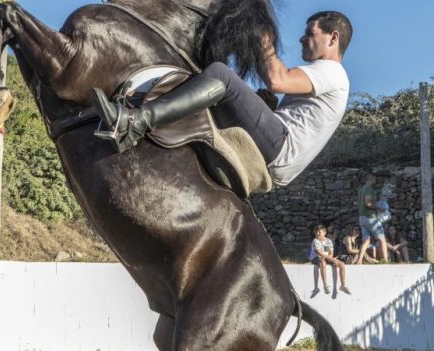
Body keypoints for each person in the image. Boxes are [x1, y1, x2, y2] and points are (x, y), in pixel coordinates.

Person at [91, 11, 353, 188]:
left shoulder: (332, 71)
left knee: (220, 75)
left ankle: (135, 121)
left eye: (310, 33)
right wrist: (268, 107)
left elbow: (277, 79)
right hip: (281, 156)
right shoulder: (330, 78)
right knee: (207, 93)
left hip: (280, 149)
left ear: (333, 38)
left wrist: (263, 37)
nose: (302, 38)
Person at [309, 224, 351, 295]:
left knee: (342, 264)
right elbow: (319, 253)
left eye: (319, 232)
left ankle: (343, 285)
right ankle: (325, 285)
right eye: (316, 232)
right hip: (316, 258)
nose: (317, 233)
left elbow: (331, 253)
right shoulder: (315, 241)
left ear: (324, 233)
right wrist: (331, 259)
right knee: (322, 262)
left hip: (327, 257)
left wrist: (331, 259)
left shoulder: (328, 241)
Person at [357, 173, 389, 263]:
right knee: (382, 239)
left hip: (361, 218)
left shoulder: (361, 189)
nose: (376, 180)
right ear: (371, 178)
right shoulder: (369, 189)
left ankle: (359, 261)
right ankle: (385, 261)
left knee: (366, 240)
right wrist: (380, 208)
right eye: (375, 178)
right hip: (370, 218)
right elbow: (367, 203)